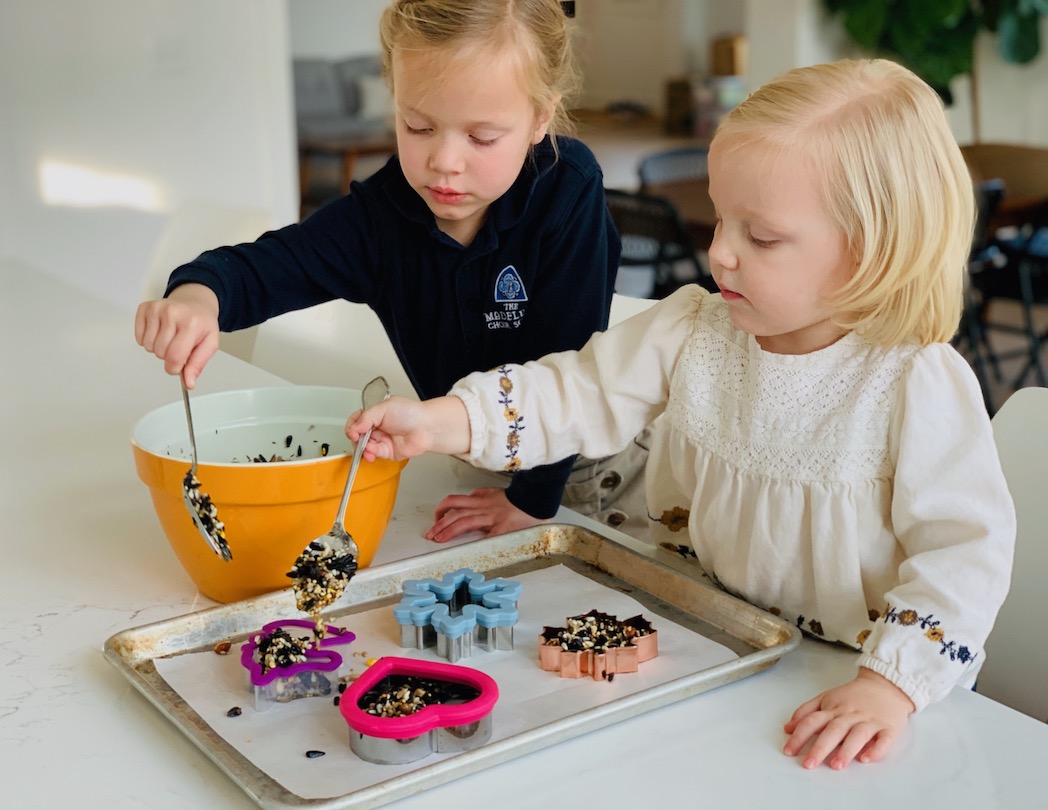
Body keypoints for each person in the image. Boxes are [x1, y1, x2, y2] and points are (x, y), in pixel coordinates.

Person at [344, 59, 1017, 770]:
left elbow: (965, 556)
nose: (718, 251)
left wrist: (890, 687)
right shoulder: (697, 327)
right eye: (721, 217)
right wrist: (441, 420)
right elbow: (573, 394)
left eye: (761, 238)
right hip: (730, 648)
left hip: (856, 685)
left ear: (873, 255)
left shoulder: (914, 382)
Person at [135, 0, 638, 543]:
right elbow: (263, 267)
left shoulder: (568, 190)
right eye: (418, 126)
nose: (444, 161)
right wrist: (197, 296)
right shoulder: (377, 220)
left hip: (587, 471)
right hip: (476, 460)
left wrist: (532, 502)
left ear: (541, 119)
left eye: (482, 138)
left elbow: (568, 370)